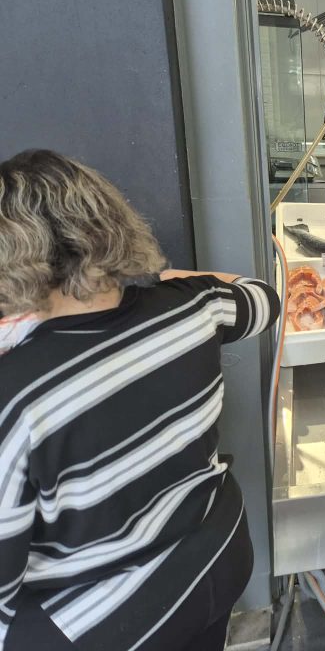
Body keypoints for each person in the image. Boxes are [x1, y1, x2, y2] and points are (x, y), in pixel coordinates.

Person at [0, 150, 281, 651]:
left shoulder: (16, 398)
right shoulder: (199, 306)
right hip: (218, 559)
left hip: (109, 621)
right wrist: (167, 281)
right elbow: (263, 298)